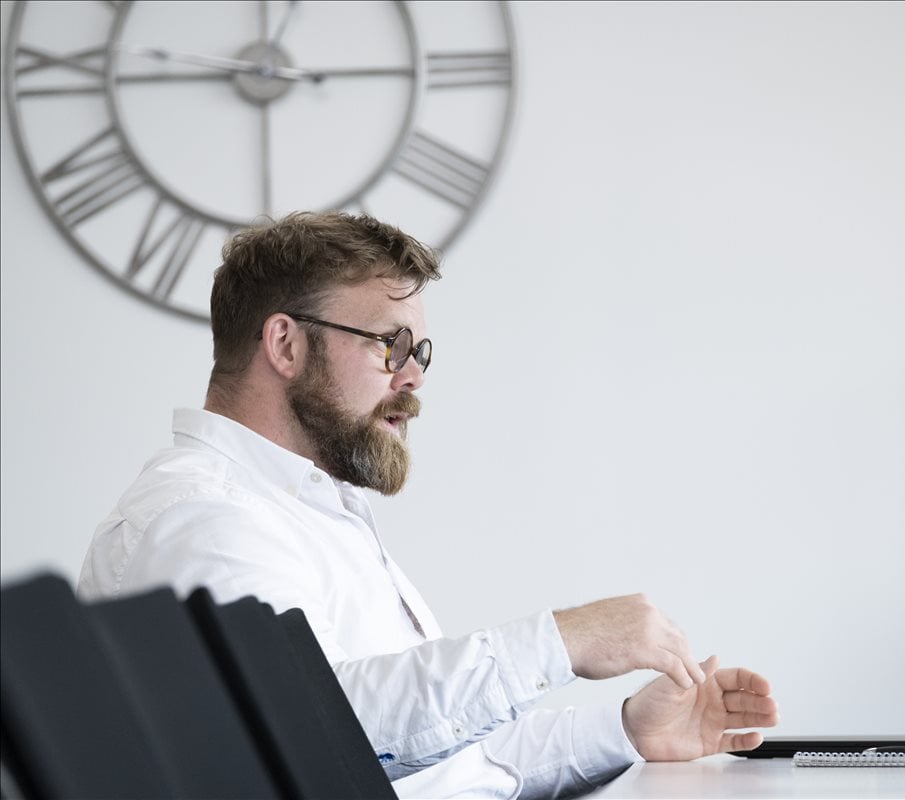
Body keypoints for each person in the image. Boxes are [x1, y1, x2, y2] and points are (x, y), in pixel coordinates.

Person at [78, 211, 778, 798]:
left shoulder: (307, 509)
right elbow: (316, 736)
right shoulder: (206, 519)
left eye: (419, 351)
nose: (412, 376)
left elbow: (447, 767)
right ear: (285, 343)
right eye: (390, 344)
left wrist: (627, 731)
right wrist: (560, 641)